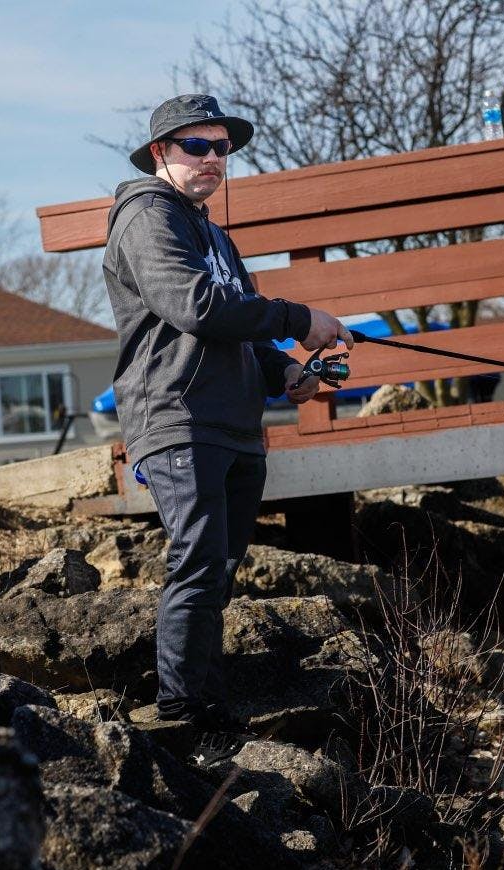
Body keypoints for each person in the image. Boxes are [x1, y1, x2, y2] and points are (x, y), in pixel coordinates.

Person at [102, 94, 353, 754]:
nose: (213, 158)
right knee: (198, 562)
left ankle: (207, 706)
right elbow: (194, 306)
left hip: (234, 426)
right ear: (161, 154)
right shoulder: (146, 216)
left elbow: (236, 329)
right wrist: (301, 319)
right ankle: (182, 712)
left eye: (222, 148)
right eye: (196, 146)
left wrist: (286, 374)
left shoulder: (215, 236)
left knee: (218, 568)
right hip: (178, 420)